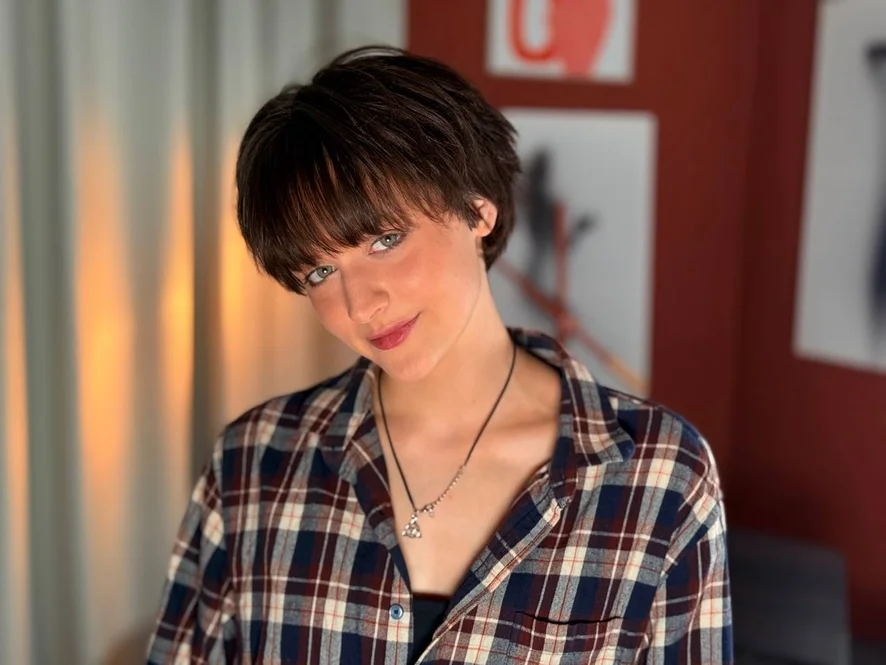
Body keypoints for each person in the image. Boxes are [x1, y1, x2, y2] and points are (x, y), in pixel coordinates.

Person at [146, 46, 733, 664]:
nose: (360, 304)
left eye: (385, 239)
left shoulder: (659, 476)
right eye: (319, 272)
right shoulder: (253, 464)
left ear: (478, 211)